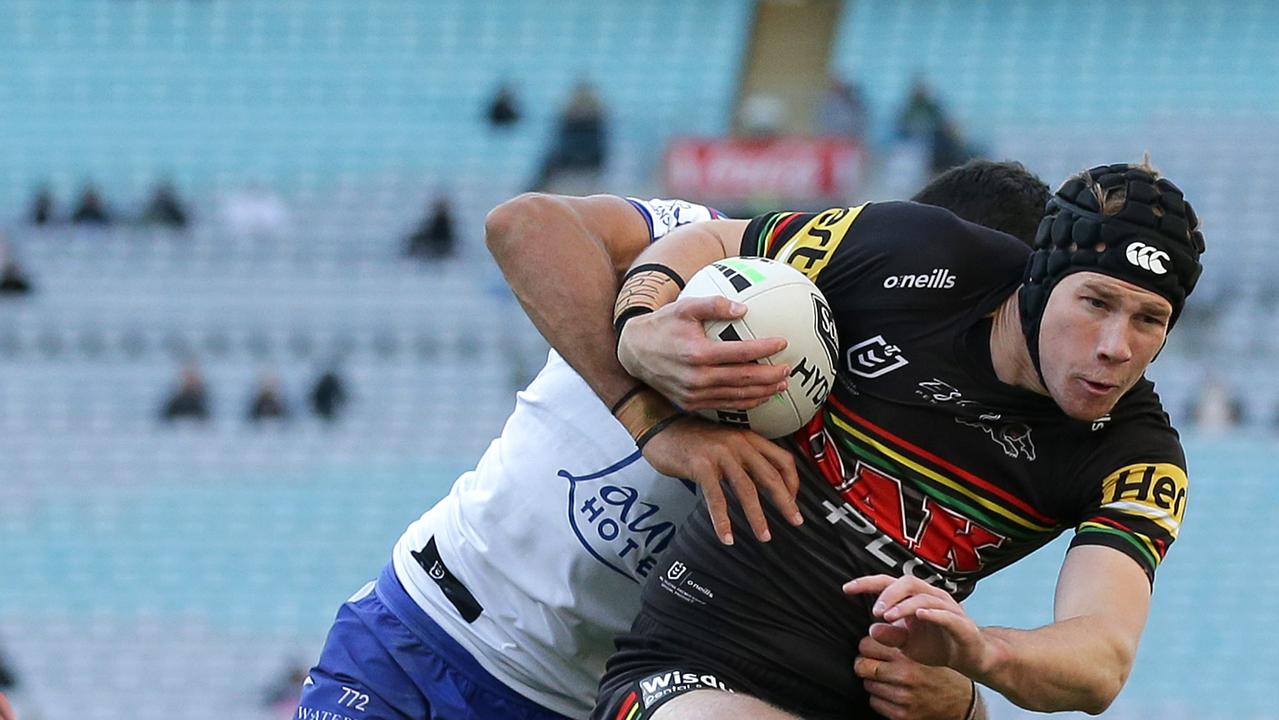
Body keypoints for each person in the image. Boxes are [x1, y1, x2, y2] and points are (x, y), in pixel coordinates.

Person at [293, 167, 1047, 720]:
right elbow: (524, 226)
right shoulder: (720, 264)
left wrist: (960, 707)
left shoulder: (927, 461)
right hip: (424, 632)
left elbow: (882, 659)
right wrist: (648, 403)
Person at [562, 162, 1204, 719]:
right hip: (687, 672)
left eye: (1150, 319)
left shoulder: (1136, 453)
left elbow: (1102, 657)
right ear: (1038, 282)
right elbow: (710, 240)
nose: (1116, 347)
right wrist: (640, 322)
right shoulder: (913, 254)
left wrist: (978, 653)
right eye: (1095, 302)